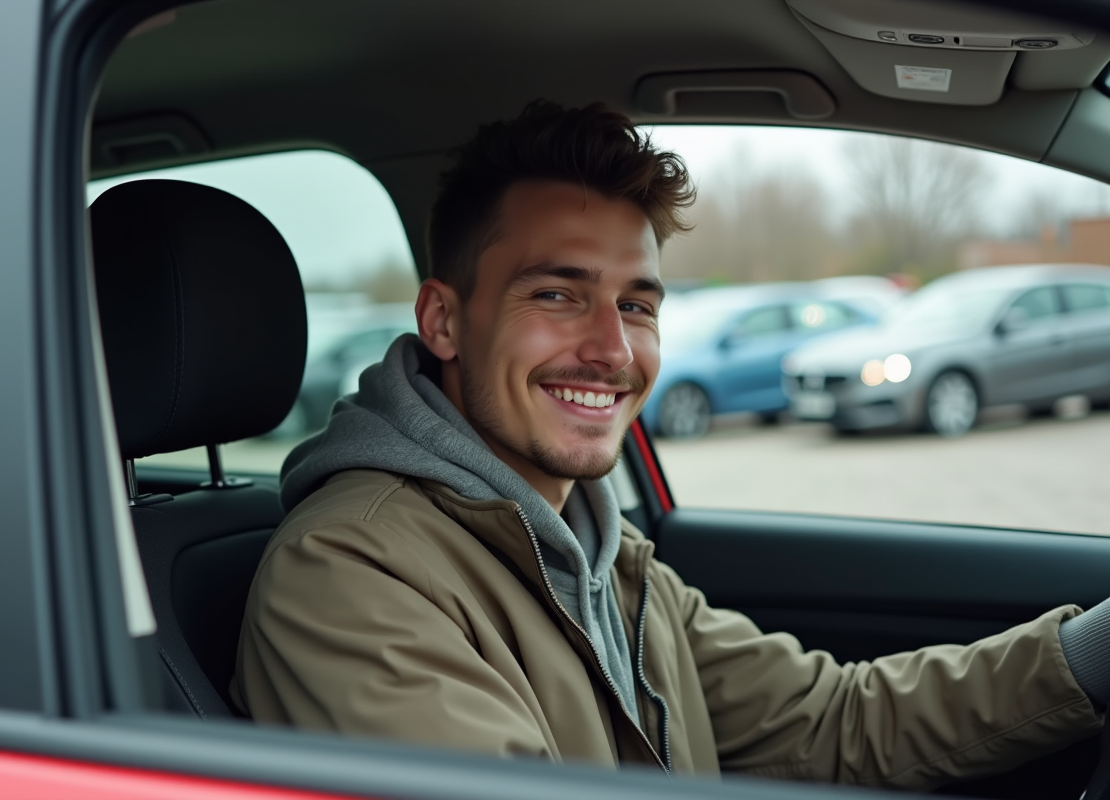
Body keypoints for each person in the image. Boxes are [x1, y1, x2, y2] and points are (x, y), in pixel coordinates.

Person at [231, 101, 1107, 790]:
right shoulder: (350, 568)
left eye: (638, 305)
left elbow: (828, 724)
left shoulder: (603, 559)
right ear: (445, 320)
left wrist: (1091, 653)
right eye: (558, 295)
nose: (614, 350)